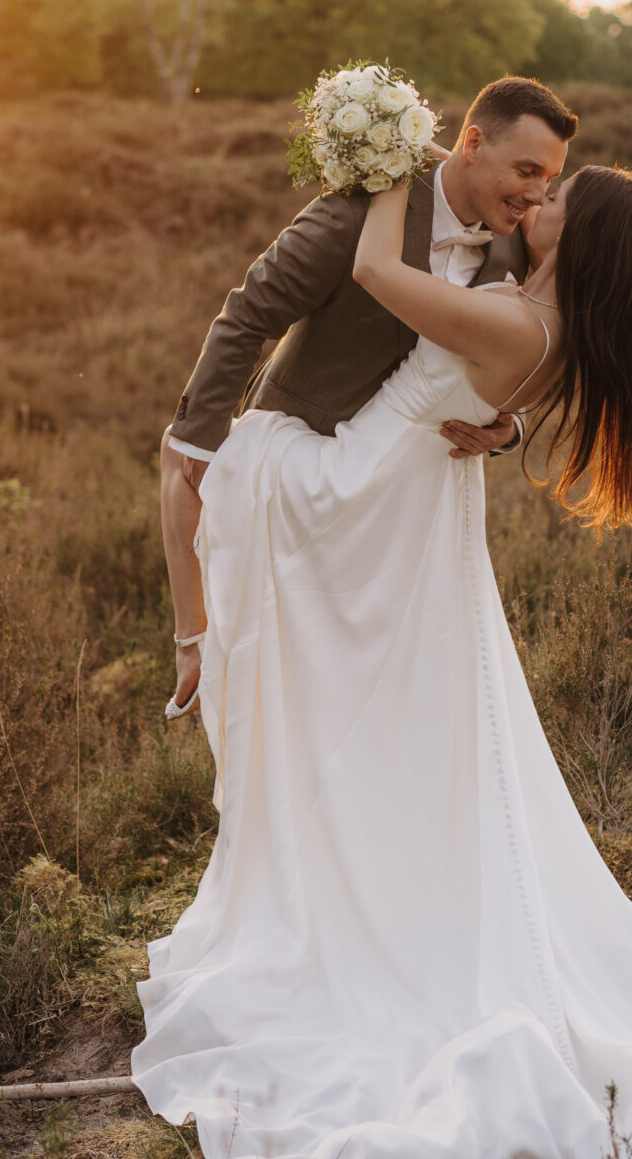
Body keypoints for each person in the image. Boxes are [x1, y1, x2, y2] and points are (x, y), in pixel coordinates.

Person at [133, 150, 632, 1159]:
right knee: (406, 712)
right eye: (537, 187)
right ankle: (351, 842)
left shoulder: (516, 323)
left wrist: (390, 161)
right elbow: (479, 362)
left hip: (356, 491)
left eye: (554, 200)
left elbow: (373, 268)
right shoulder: (539, 318)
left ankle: (322, 838)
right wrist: (502, 424)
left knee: (257, 487)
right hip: (414, 498)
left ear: (578, 236)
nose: (534, 206)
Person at [158, 77, 576, 719]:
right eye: (525, 169)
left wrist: (510, 429)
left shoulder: (522, 242)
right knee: (273, 679)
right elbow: (247, 315)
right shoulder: (357, 215)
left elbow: (531, 353)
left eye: (549, 179)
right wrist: (203, 443)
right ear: (471, 143)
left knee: (375, 691)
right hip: (306, 465)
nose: (535, 193)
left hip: (405, 501)